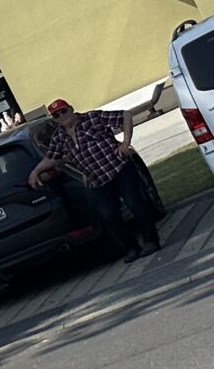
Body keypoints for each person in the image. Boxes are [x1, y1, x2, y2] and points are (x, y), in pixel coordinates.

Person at [30, 96, 159, 260]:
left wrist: (125, 142)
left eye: (63, 111)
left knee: (135, 204)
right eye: (56, 115)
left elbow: (125, 115)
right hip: (97, 180)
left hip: (119, 168)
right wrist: (36, 171)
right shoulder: (58, 137)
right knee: (109, 215)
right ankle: (131, 248)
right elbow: (52, 158)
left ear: (71, 108)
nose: (62, 116)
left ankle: (151, 241)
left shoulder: (93, 118)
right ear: (54, 119)